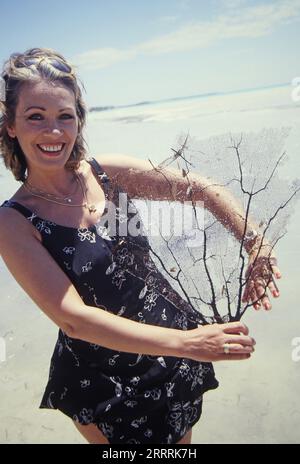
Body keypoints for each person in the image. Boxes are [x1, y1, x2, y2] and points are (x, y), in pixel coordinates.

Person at [0, 48, 281, 445]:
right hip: (104, 375)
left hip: (172, 352)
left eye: (65, 115)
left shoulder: (106, 173)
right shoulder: (14, 221)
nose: (54, 131)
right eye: (35, 117)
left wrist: (256, 245)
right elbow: (73, 319)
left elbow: (201, 189)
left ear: (79, 119)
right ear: (10, 124)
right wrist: (192, 344)